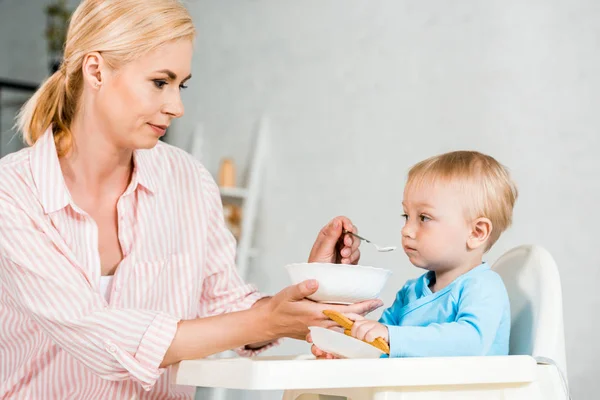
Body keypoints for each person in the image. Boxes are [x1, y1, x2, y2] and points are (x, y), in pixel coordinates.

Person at [0, 1, 382, 398]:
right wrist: (268, 320)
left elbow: (225, 308)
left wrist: (306, 295)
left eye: (180, 85)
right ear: (95, 70)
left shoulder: (187, 180)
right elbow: (98, 338)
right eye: (159, 82)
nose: (176, 107)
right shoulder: (13, 194)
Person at [311, 151, 518, 358]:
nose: (406, 230)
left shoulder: (483, 286)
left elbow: (471, 342)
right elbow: (381, 347)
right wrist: (348, 347)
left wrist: (394, 336)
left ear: (476, 232)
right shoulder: (410, 293)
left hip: (468, 391)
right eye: (406, 216)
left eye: (424, 218)